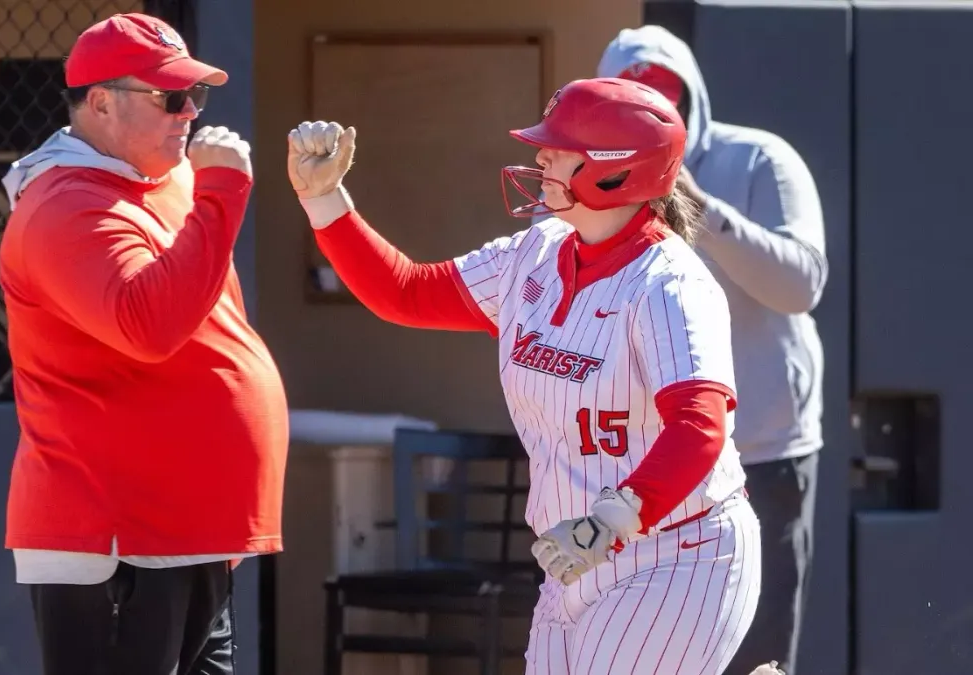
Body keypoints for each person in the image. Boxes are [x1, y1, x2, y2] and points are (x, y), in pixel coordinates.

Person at [287, 78, 778, 675]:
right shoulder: (537, 251)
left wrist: (613, 520)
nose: (541, 156)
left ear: (615, 170)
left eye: (560, 147)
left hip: (677, 553)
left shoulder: (670, 281)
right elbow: (407, 293)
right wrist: (325, 201)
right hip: (573, 556)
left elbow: (700, 426)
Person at [0, 13, 289, 675]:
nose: (188, 113)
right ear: (99, 101)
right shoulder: (65, 204)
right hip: (117, 538)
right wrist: (222, 195)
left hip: (186, 534)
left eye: (195, 96)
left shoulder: (165, 180)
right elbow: (147, 326)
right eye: (169, 97)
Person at [599, 26, 828, 675]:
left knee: (758, 661)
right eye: (633, 103)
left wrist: (704, 211)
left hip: (761, 453)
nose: (652, 117)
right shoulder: (587, 178)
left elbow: (802, 284)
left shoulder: (761, 160)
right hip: (644, 470)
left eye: (666, 101)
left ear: (693, 99)